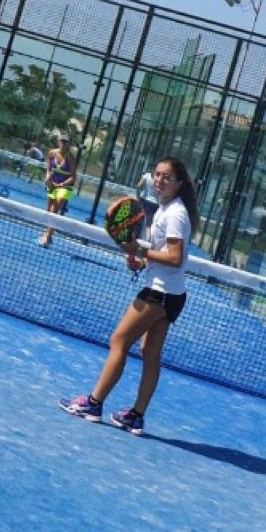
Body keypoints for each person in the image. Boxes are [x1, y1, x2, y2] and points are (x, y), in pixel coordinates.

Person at [58, 156, 198, 434]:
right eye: (157, 175)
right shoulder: (166, 209)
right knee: (150, 353)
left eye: (167, 177)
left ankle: (93, 404)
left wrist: (141, 250)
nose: (159, 181)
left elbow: (174, 258)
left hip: (158, 293)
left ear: (179, 183)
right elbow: (162, 256)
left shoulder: (175, 214)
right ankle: (135, 416)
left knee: (118, 341)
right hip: (173, 294)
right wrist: (140, 260)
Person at [38, 131, 76, 247]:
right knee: (49, 210)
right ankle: (47, 232)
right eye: (62, 141)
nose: (63, 144)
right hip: (52, 185)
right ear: (59, 142)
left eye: (65, 142)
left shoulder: (70, 157)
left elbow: (73, 177)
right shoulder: (52, 153)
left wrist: (62, 185)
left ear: (68, 144)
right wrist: (48, 179)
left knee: (55, 208)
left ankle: (47, 236)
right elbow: (48, 169)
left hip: (65, 188)